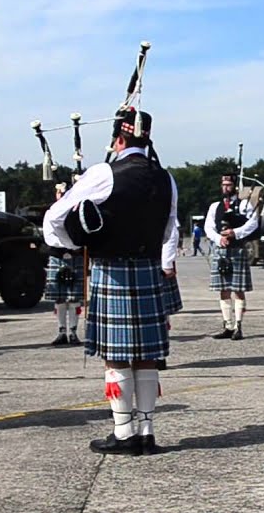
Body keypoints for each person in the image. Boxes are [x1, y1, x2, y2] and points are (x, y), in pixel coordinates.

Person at [43, 107, 178, 456]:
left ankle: (123, 433)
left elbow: (55, 216)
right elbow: (169, 229)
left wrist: (72, 245)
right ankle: (146, 431)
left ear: (118, 139)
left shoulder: (104, 173)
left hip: (112, 270)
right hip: (149, 269)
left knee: (116, 356)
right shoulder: (167, 179)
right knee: (147, 356)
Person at [204, 174, 258, 340]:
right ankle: (227, 325)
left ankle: (238, 326)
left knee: (238, 290)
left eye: (228, 184)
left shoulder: (244, 204)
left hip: (237, 249)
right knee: (223, 290)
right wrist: (218, 238)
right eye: (223, 184)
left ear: (235, 186)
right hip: (221, 251)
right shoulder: (215, 206)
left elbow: (253, 223)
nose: (225, 187)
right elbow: (208, 227)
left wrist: (235, 232)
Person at [44, 182, 85, 346]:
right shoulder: (51, 212)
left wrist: (74, 248)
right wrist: (64, 248)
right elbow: (49, 236)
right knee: (60, 299)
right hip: (58, 255)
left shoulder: (78, 211)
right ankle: (61, 332)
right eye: (60, 193)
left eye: (65, 193)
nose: (61, 196)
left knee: (74, 299)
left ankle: (73, 332)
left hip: (75, 255)